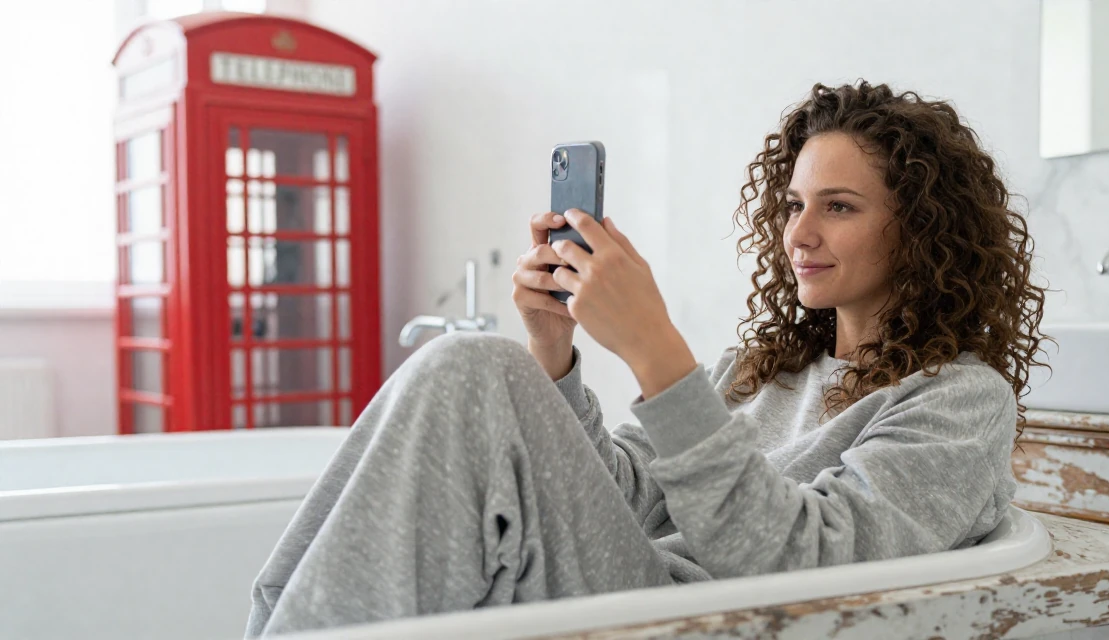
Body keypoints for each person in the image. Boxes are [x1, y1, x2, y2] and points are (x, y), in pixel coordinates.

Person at [244, 81, 1049, 637]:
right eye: (794, 204)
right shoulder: (757, 370)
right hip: (636, 592)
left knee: (469, 369)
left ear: (922, 229)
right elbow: (625, 500)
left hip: (716, 622)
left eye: (838, 207)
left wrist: (654, 350)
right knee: (484, 365)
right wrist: (555, 356)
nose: (799, 234)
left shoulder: (958, 401)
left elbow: (809, 565)